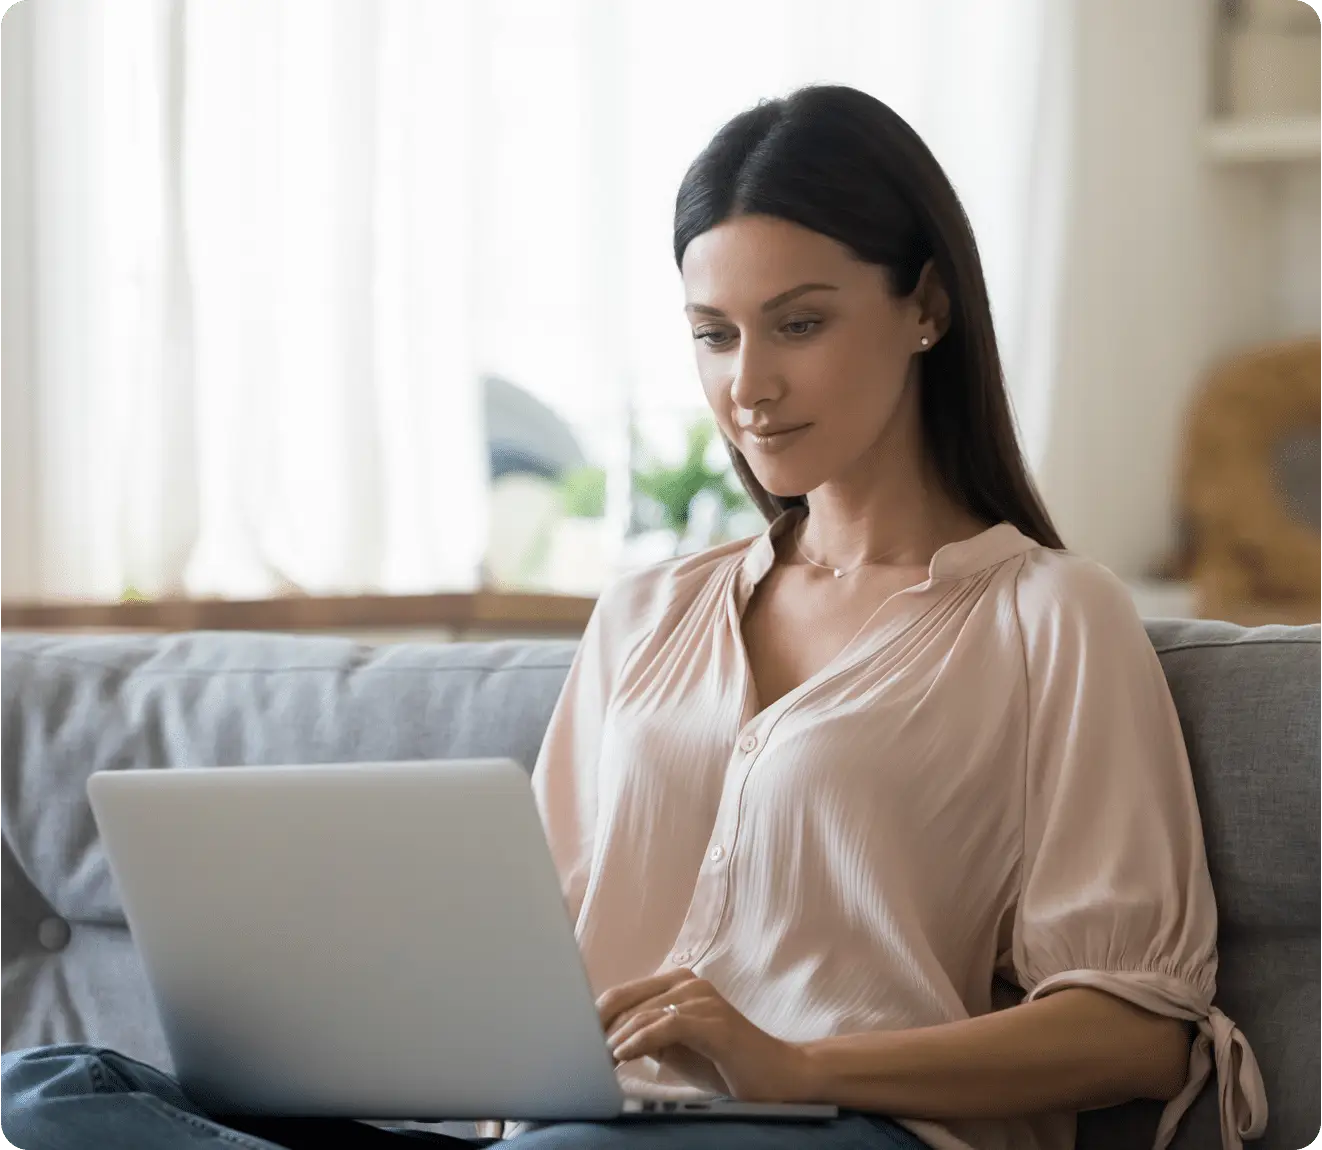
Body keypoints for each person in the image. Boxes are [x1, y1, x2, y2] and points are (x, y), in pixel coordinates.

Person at [0, 83, 1266, 1150]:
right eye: (711, 335)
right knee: (43, 1099)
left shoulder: (1050, 618)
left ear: (926, 306)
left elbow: (1137, 1031)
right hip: (577, 1130)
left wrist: (794, 1062)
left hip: (829, 1132)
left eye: (799, 324)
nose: (747, 386)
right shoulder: (647, 614)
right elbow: (526, 958)